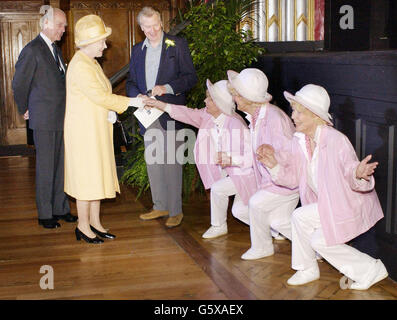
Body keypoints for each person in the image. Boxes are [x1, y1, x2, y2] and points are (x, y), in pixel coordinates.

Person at [257, 84, 388, 290]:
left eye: (300, 112)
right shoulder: (300, 140)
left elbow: (349, 169)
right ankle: (370, 270)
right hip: (326, 205)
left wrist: (358, 174)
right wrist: (273, 165)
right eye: (293, 110)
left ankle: (306, 269)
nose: (293, 116)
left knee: (299, 217)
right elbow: (292, 179)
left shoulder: (336, 140)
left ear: (316, 117)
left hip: (345, 204)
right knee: (319, 241)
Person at [64, 14, 144, 243]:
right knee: (86, 179)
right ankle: (82, 226)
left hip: (95, 129)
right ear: (89, 42)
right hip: (84, 133)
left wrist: (110, 110)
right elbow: (99, 96)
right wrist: (131, 102)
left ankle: (95, 223)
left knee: (96, 176)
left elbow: (100, 97)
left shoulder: (91, 62)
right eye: (101, 40)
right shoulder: (81, 65)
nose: (104, 44)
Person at [144, 79, 257, 239]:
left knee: (224, 194)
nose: (205, 101)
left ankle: (220, 225)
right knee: (240, 210)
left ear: (220, 103)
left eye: (209, 99)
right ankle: (272, 228)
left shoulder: (235, 124)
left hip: (245, 173)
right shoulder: (208, 117)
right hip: (230, 173)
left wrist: (231, 159)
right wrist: (157, 104)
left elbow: (250, 158)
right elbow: (185, 113)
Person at [126, 6, 197, 228]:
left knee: (172, 162)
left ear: (161, 23)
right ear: (141, 28)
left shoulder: (177, 45)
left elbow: (190, 78)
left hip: (170, 109)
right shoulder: (137, 50)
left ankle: (175, 210)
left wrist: (166, 87)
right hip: (146, 113)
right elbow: (130, 81)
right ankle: (160, 206)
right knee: (153, 161)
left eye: (156, 25)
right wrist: (135, 94)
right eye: (147, 27)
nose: (153, 30)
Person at [12, 6, 76, 229]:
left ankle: (61, 208)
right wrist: (24, 107)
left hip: (61, 118)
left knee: (60, 166)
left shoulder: (55, 49)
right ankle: (45, 213)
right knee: (46, 167)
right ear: (46, 24)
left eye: (65, 26)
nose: (64, 30)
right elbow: (19, 83)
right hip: (44, 119)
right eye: (60, 25)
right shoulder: (32, 50)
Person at [227, 68, 300, 260]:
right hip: (272, 180)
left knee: (255, 204)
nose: (234, 98)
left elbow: (290, 154)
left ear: (246, 98)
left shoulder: (274, 118)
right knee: (278, 221)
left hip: (285, 179)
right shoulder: (257, 117)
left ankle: (262, 247)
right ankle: (315, 248)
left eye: (236, 95)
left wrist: (272, 152)